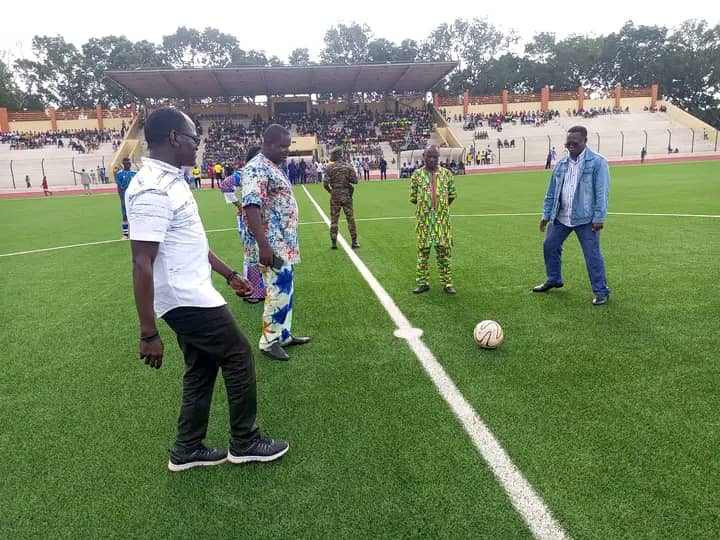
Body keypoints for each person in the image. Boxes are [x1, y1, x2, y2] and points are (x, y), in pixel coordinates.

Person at [126, 106, 288, 471]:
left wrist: (229, 274)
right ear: (173, 138)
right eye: (192, 138)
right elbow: (141, 262)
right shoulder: (152, 187)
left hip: (193, 289)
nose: (197, 145)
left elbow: (191, 241)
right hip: (185, 297)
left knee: (201, 367)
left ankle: (187, 448)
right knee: (238, 354)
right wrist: (148, 332)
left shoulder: (171, 180)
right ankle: (245, 441)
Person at [242, 125, 311, 362]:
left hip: (283, 241)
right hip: (271, 243)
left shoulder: (273, 166)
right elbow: (251, 206)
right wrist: (264, 246)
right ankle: (269, 342)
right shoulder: (256, 168)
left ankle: (283, 334)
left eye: (288, 146)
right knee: (277, 289)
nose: (286, 151)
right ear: (267, 144)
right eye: (281, 146)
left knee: (286, 289)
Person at [533, 125, 611, 305]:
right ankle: (554, 279)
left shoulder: (597, 162)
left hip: (586, 219)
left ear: (585, 141)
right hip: (561, 216)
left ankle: (601, 291)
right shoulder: (561, 164)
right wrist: (546, 215)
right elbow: (551, 191)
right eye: (568, 142)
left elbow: (602, 192)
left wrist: (599, 218)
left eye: (575, 141)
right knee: (549, 245)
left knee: (592, 254)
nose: (570, 145)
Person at [409, 145, 457, 295]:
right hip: (424, 222)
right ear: (423, 156)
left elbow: (451, 195)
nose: (431, 159)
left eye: (434, 156)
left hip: (442, 222)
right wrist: (427, 207)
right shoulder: (416, 175)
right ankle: (422, 283)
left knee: (444, 252)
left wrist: (439, 209)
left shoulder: (447, 174)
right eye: (428, 156)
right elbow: (413, 198)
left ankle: (447, 283)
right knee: (422, 252)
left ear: (438, 157)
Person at [323, 147, 360, 250]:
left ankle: (334, 243)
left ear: (336, 155)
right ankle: (354, 242)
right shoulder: (348, 166)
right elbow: (355, 181)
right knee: (350, 219)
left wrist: (331, 192)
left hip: (335, 195)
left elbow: (325, 184)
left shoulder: (329, 168)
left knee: (334, 219)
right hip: (347, 195)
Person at [115, 158, 136, 239]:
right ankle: (125, 235)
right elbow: (119, 188)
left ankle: (135, 233)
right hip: (125, 196)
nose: (128, 164)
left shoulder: (134, 173)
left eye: (129, 163)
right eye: (126, 163)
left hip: (134, 196)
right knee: (125, 216)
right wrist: (122, 200)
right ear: (123, 164)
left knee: (135, 215)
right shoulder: (119, 174)